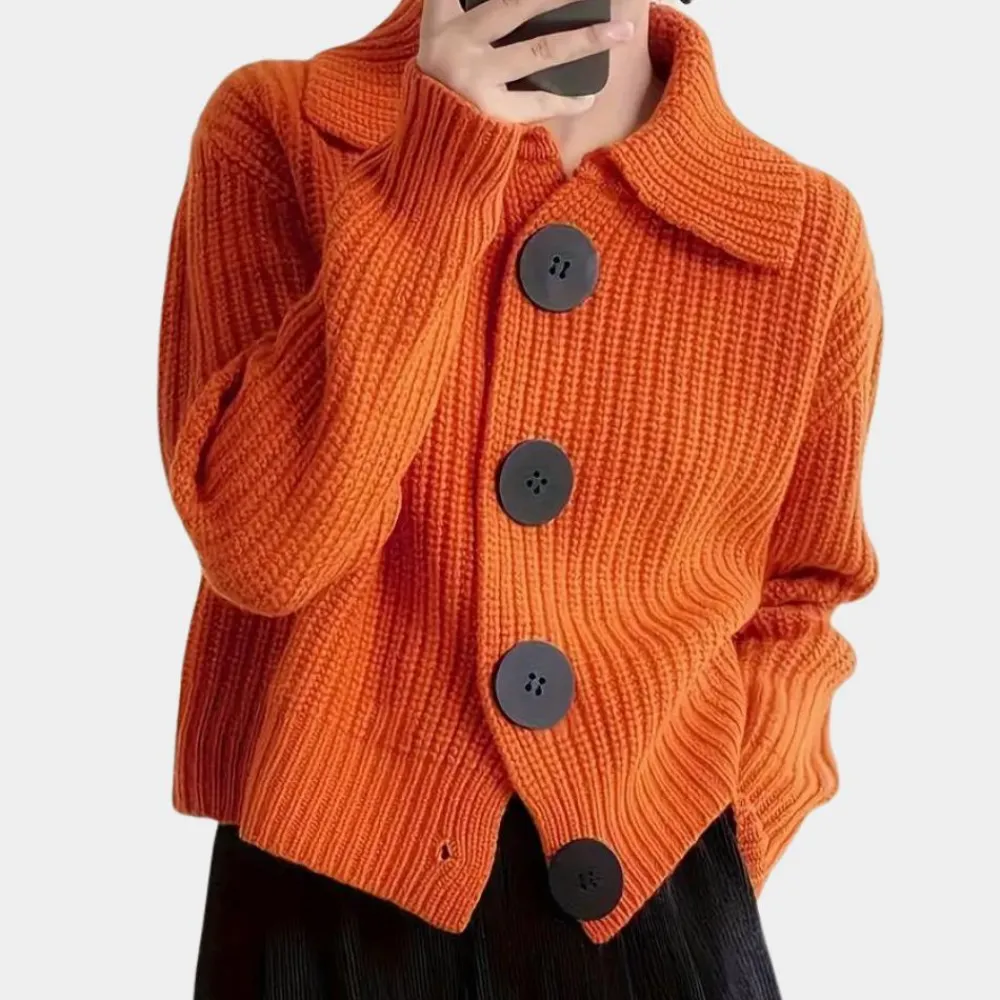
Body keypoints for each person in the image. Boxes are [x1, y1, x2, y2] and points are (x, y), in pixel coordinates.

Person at [157, 0, 883, 996]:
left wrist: (721, 825)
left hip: (656, 902)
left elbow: (800, 594)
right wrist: (429, 172)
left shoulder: (798, 230)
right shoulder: (283, 127)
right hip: (325, 902)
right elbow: (264, 550)